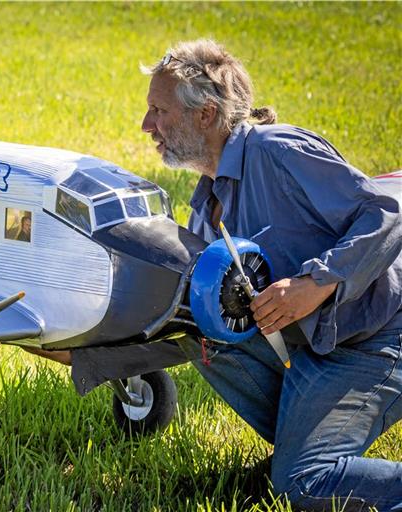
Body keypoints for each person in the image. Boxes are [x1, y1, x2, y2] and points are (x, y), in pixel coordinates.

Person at [139, 39, 402, 510]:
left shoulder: (277, 151)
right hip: (317, 346)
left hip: (378, 334)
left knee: (301, 484)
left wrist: (316, 283)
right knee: (198, 321)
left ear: (206, 114)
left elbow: (386, 213)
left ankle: (307, 459)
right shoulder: (207, 203)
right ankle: (306, 445)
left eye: (158, 110)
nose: (146, 125)